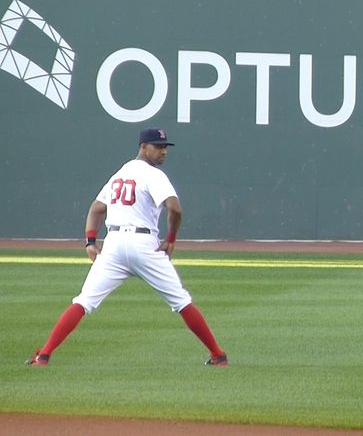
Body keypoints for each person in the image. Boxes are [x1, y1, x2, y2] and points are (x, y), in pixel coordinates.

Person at [26, 128, 227, 367]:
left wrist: (90, 241)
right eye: (157, 146)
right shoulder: (154, 175)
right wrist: (171, 239)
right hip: (144, 245)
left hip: (114, 244)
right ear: (143, 147)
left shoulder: (120, 173)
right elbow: (175, 208)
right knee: (181, 301)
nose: (163, 151)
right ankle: (217, 354)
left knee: (83, 301)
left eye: (164, 147)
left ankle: (45, 354)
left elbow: (97, 208)